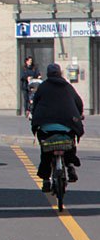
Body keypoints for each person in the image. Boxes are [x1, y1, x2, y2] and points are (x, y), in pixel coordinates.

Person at [30, 63, 84, 192]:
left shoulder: (43, 87)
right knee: (70, 142)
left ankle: (45, 181)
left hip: (46, 127)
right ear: (60, 73)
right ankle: (70, 165)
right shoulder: (67, 87)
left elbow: (35, 105)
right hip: (67, 125)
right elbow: (78, 102)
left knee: (46, 152)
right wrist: (79, 115)